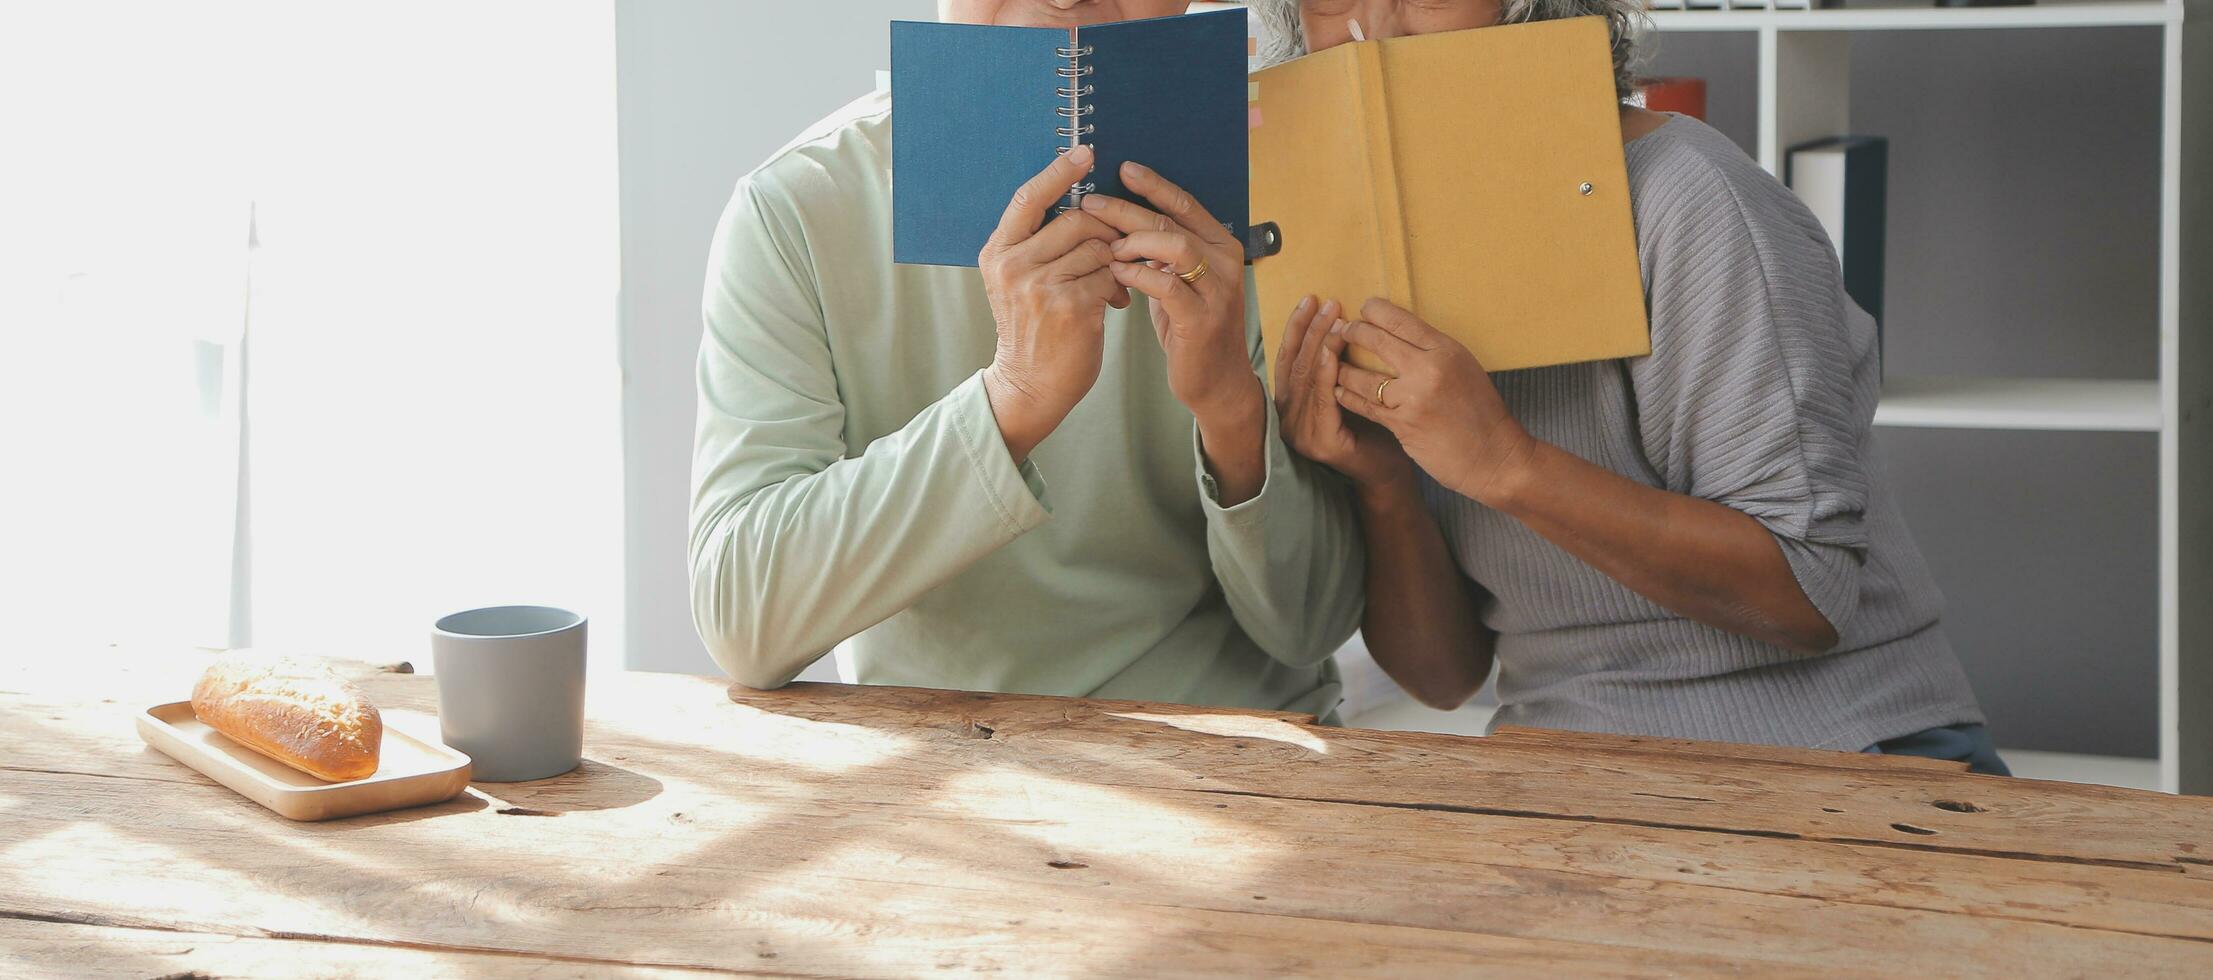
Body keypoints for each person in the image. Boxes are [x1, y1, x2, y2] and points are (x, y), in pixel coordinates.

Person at [1261, 0, 2007, 773]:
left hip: (1838, 750)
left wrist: (1505, 466)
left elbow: (1807, 595)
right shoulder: (1365, 247)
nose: (1374, 32)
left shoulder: (1689, 196)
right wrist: (1384, 486)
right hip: (1566, 770)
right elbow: (1441, 678)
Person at [688, 0, 1364, 718]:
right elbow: (743, 623)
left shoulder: (1282, 178)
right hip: (930, 759)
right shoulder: (799, 207)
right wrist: (1012, 395)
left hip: (1241, 755)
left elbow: (1312, 628)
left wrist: (1228, 405)